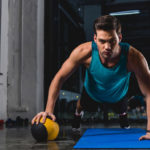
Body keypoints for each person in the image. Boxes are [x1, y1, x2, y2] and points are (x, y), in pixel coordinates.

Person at [32, 15, 150, 140]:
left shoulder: (134, 58)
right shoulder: (83, 52)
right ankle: (77, 115)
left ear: (119, 38)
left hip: (118, 94)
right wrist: (48, 110)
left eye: (112, 41)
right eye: (102, 41)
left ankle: (123, 116)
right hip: (93, 92)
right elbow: (59, 77)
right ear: (95, 39)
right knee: (81, 105)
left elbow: (149, 93)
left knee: (122, 109)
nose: (107, 47)